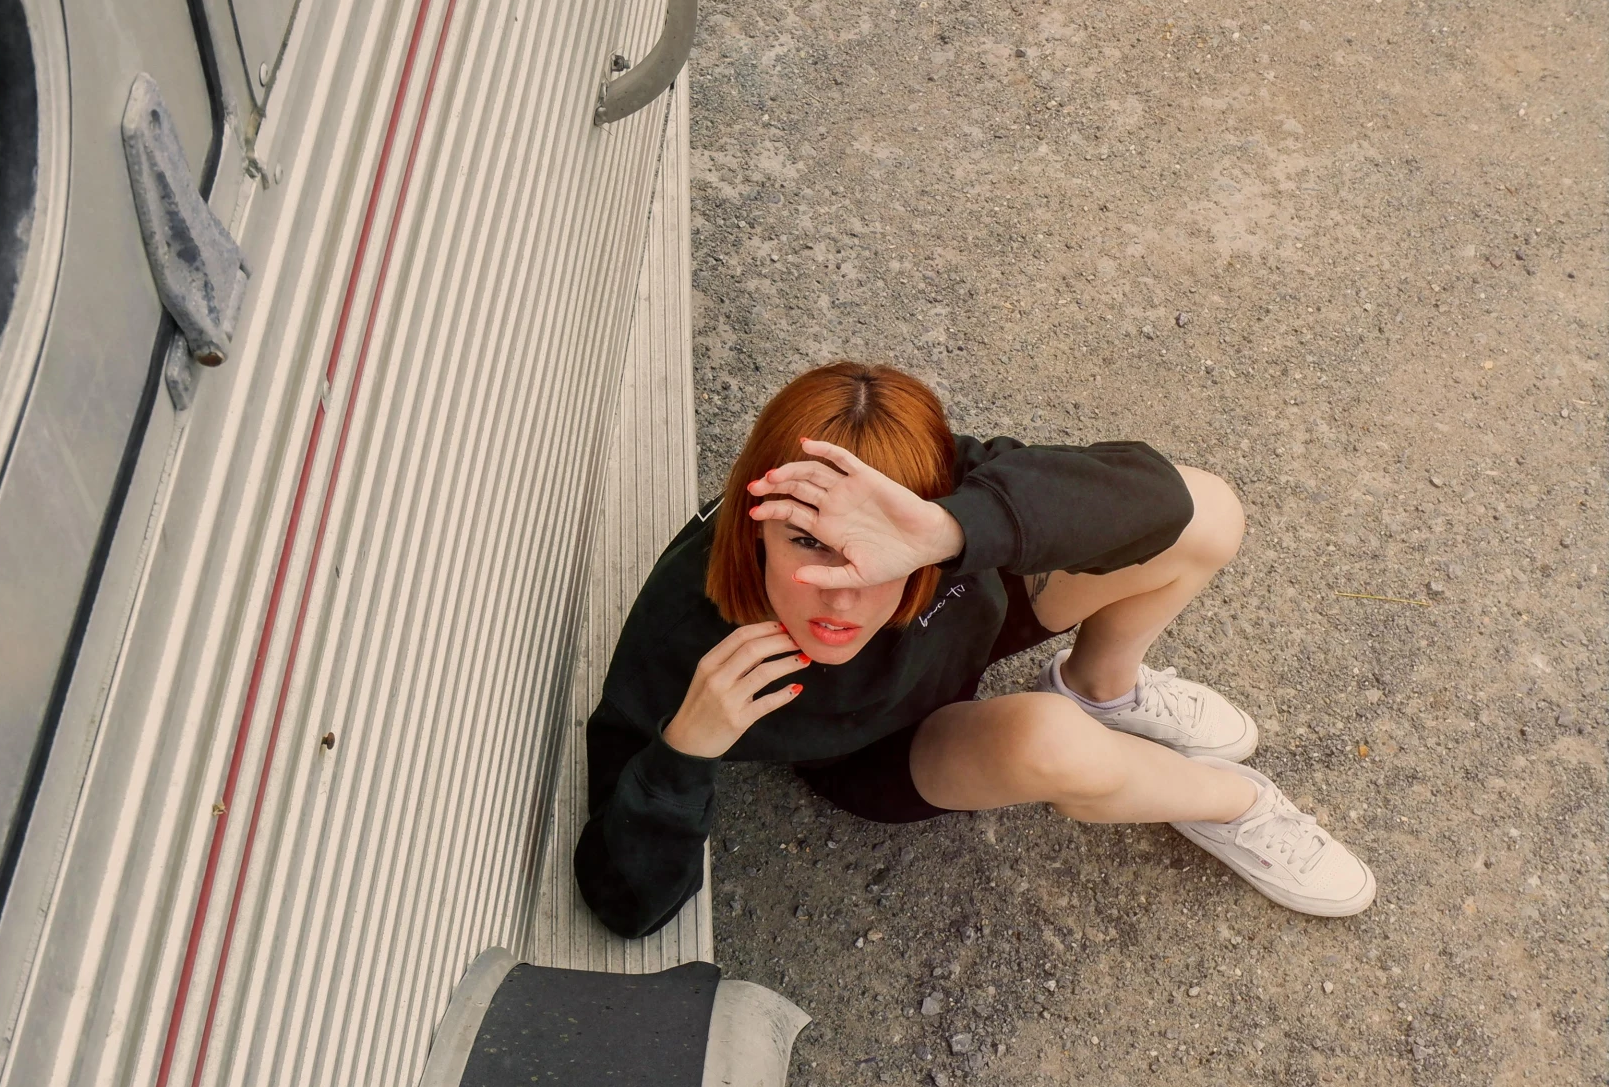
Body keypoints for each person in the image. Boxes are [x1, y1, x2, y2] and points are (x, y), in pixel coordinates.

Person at [575, 362, 1375, 939]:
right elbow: (626, 903)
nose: (844, 593)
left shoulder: (928, 497)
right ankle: (1238, 802)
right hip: (883, 749)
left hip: (959, 629)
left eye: (875, 543)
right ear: (754, 524)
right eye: (807, 544)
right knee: (1054, 745)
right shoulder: (691, 637)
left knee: (1209, 513)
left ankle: (1102, 685)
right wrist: (685, 750)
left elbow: (1154, 496)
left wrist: (948, 533)